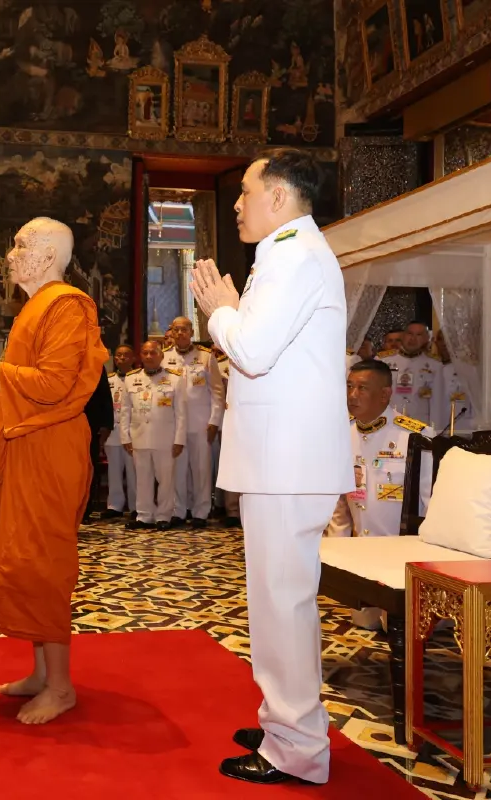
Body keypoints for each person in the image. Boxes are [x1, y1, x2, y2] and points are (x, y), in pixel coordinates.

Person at [189, 147, 352, 785]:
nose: (236, 204)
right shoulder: (286, 253)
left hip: (287, 460)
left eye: (246, 191)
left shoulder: (294, 255)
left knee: (283, 603)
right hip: (280, 458)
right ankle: (284, 723)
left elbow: (252, 352)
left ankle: (298, 748)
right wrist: (232, 309)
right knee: (276, 600)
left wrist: (220, 310)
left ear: (278, 197)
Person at [0, 217, 108, 725]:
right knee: (22, 562)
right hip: (22, 444)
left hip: (48, 449)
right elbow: (21, 383)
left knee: (43, 564)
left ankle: (61, 688)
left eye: (20, 245)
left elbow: (54, 385)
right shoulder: (33, 307)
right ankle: (40, 673)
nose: (10, 255)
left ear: (49, 255)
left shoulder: (69, 305)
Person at [325, 359, 433, 629]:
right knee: (365, 622)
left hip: (404, 563)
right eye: (349, 386)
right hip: (363, 561)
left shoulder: (414, 436)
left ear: (385, 394)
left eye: (362, 388)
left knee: (397, 626)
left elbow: (431, 503)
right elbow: (339, 504)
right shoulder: (342, 433)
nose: (352, 395)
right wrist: (337, 559)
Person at [162, 317, 225, 527]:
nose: (180, 333)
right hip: (174, 425)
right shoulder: (164, 357)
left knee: (201, 469)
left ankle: (201, 511)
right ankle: (179, 510)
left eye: (184, 330)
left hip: (201, 423)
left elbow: (217, 392)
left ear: (191, 332)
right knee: (178, 469)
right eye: (176, 330)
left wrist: (214, 421)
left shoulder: (205, 356)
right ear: (171, 333)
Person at [121, 340, 186, 530]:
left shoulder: (175, 378)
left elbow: (181, 413)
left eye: (153, 353)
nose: (149, 356)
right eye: (145, 353)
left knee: (165, 480)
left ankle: (164, 516)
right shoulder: (131, 378)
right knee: (142, 479)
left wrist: (179, 439)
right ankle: (144, 515)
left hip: (165, 439)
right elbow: (125, 410)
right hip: (139, 436)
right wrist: (125, 437)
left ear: (161, 355)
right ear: (140, 356)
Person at [377, 321, 439, 425]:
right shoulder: (383, 360)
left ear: (426, 339)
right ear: (403, 336)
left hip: (420, 423)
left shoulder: (435, 365)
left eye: (419, 335)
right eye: (409, 333)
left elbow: (438, 401)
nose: (413, 338)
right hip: (389, 421)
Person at [209, 348, 241, 528]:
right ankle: (232, 510)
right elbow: (217, 395)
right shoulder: (220, 365)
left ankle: (248, 510)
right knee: (231, 466)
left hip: (254, 422)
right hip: (229, 421)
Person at [105, 345, 137, 517]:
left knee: (134, 472)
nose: (122, 358)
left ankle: (136, 506)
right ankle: (114, 505)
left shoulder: (139, 378)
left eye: (126, 355)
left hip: (133, 433)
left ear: (133, 358)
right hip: (113, 432)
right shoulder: (108, 380)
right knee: (114, 471)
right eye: (118, 355)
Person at [82, 368, 116, 523]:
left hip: (91, 424)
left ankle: (85, 510)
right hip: (63, 425)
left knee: (88, 469)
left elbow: (104, 395)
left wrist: (106, 425)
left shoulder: (94, 363)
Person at [431, 331, 478, 432]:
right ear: (435, 342)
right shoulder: (432, 368)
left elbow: (476, 406)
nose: (444, 343)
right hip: (435, 429)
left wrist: (472, 425)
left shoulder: (468, 370)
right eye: (441, 339)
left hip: (462, 429)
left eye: (448, 339)